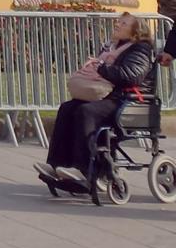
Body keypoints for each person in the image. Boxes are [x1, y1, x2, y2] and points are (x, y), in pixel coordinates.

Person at [34, 13, 154, 188]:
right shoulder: (112, 47)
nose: (118, 25)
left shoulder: (141, 49)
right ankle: (56, 165)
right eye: (119, 22)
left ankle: (84, 170)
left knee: (86, 111)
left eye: (124, 23)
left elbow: (132, 77)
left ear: (136, 31)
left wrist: (102, 69)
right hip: (109, 96)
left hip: (128, 101)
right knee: (67, 108)